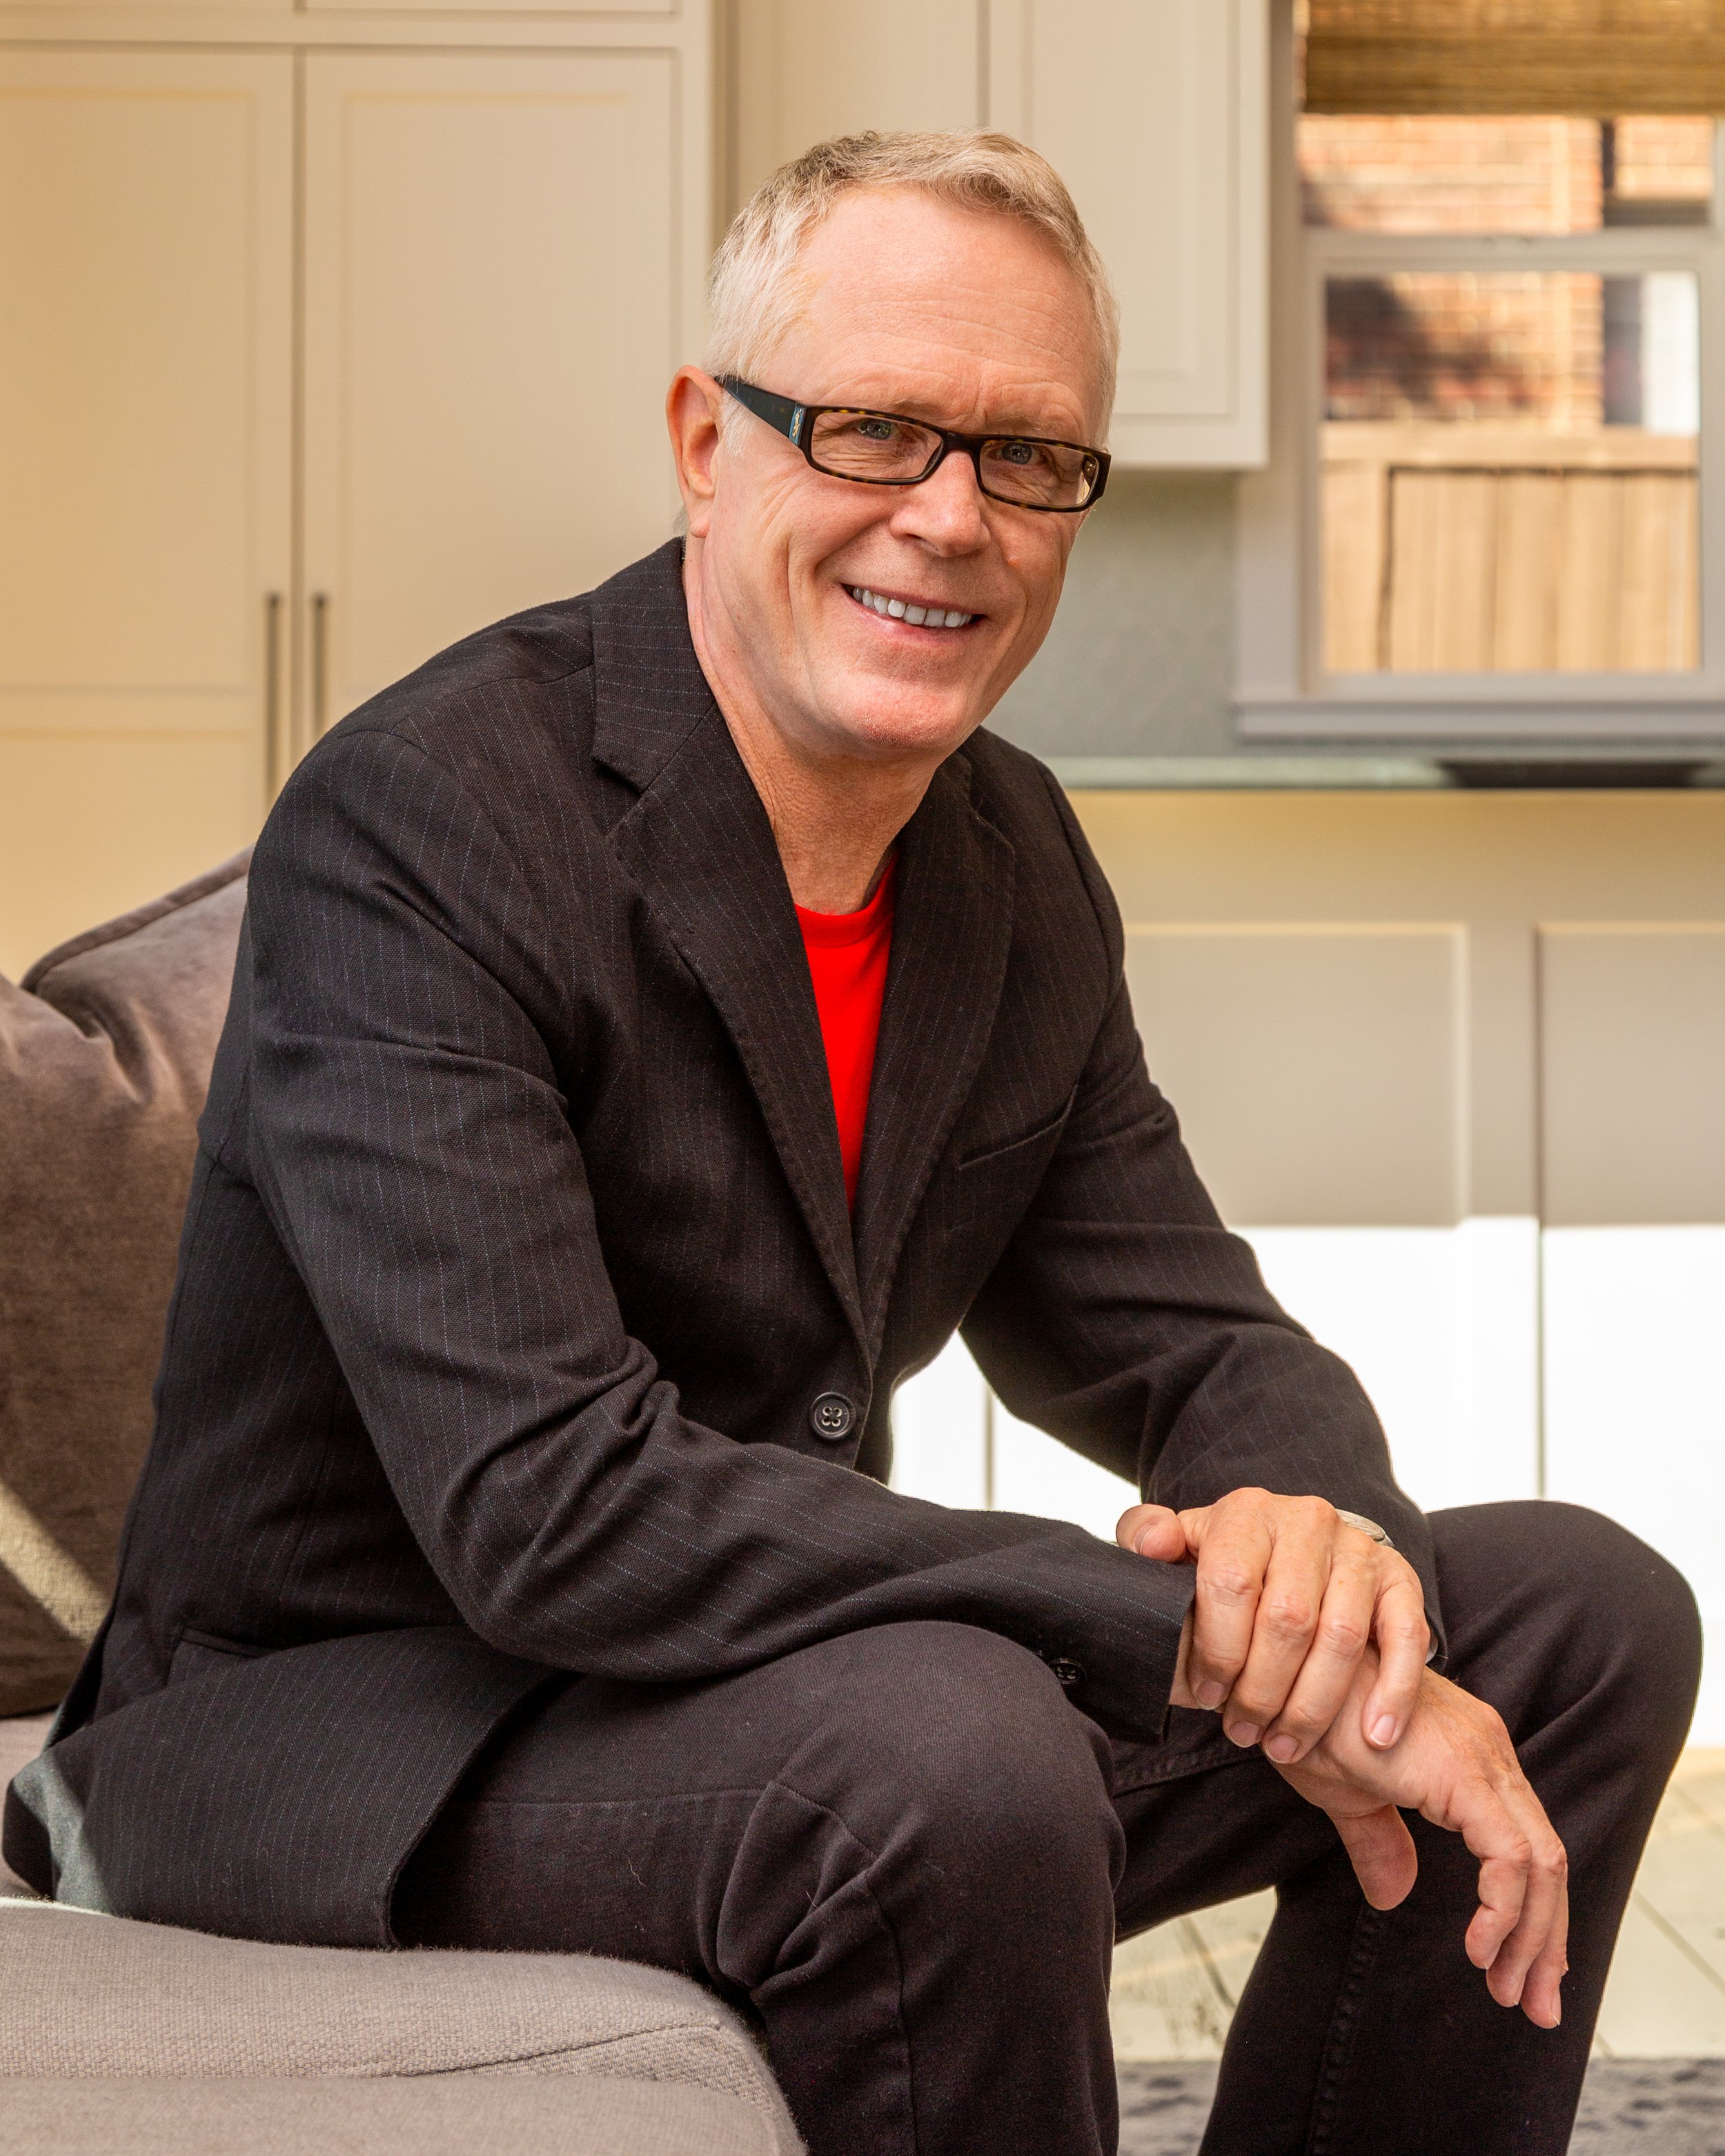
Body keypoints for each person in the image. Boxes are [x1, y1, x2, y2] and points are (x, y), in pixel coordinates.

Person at [6, 130, 1699, 2156]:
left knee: (1569, 1620)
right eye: (874, 429)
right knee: (952, 1749)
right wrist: (1166, 1622)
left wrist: (1323, 1566)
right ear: (704, 444)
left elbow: (1187, 1341)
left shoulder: (1007, 857)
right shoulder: (427, 820)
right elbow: (546, 1506)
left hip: (745, 1691)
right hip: (329, 1730)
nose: (951, 517)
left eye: (1028, 456)